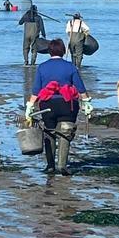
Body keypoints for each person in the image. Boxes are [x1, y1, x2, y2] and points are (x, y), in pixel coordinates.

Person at [26, 38, 88, 176]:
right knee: (65, 133)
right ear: (63, 51)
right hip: (67, 104)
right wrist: (87, 103)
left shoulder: (42, 67)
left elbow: (36, 90)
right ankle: (62, 166)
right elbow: (80, 88)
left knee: (49, 133)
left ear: (49, 51)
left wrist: (29, 106)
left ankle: (50, 166)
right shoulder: (70, 66)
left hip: (47, 105)